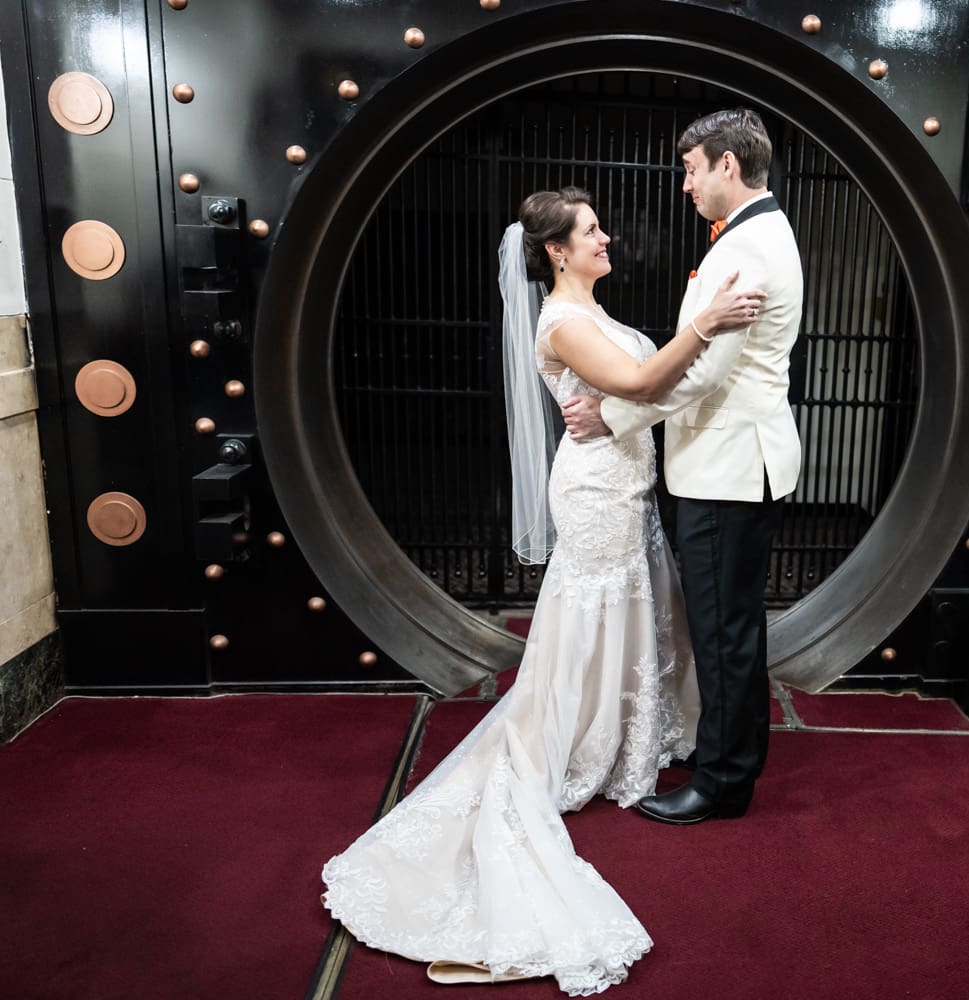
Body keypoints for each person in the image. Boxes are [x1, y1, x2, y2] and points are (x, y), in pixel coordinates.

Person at [319, 185, 765, 994]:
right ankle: (575, 739)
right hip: (594, 491)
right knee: (593, 614)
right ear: (556, 250)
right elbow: (633, 384)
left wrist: (680, 362)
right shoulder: (561, 322)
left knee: (636, 607)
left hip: (627, 484)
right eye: (592, 231)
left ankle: (626, 730)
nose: (607, 239)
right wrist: (705, 324)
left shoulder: (588, 309)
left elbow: (640, 389)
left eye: (600, 228)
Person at [561, 109, 804, 825]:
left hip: (727, 470)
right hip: (738, 462)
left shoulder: (745, 250)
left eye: (692, 168)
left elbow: (699, 376)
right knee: (732, 624)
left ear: (729, 165)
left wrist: (614, 414)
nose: (685, 184)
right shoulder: (758, 233)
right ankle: (732, 752)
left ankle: (724, 783)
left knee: (722, 626)